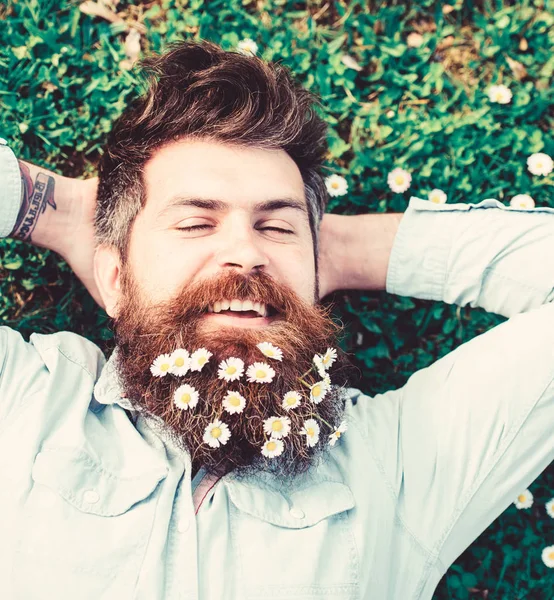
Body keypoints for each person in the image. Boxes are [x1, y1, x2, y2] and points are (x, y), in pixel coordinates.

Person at [1, 40, 553, 600]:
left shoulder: (397, 466)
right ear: (114, 280)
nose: (246, 253)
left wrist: (337, 248)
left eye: (277, 227)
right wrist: (56, 209)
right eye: (195, 224)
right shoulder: (25, 402)